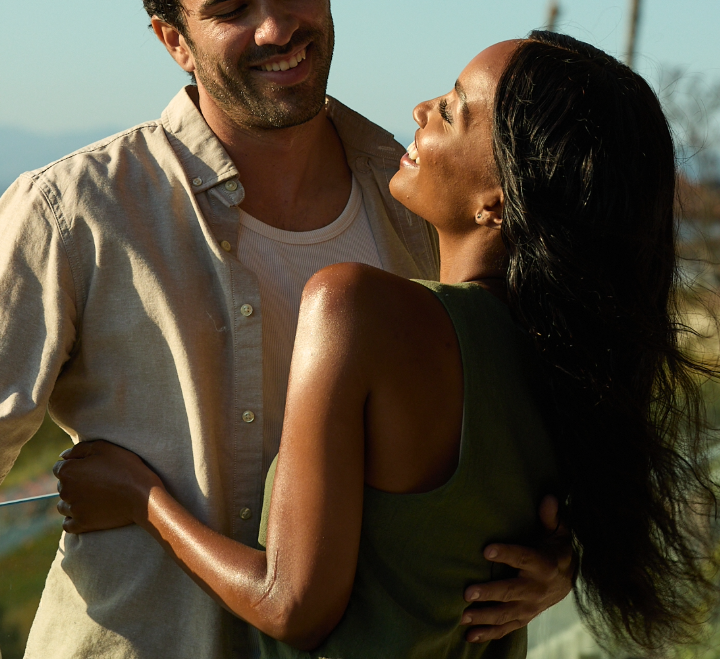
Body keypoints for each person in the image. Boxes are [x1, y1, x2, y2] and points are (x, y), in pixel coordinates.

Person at [0, 0, 570, 659]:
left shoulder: (425, 204)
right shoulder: (72, 213)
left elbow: (533, 431)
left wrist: (562, 558)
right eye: (232, 7)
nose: (277, 27)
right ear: (174, 40)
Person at [55, 32, 718, 659]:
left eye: (453, 109)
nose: (421, 108)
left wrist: (139, 496)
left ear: (497, 202)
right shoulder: (569, 365)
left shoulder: (360, 308)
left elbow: (291, 605)